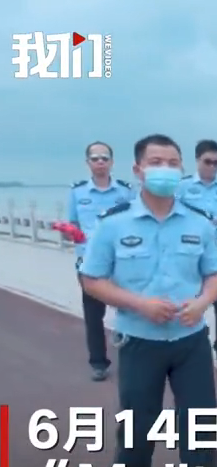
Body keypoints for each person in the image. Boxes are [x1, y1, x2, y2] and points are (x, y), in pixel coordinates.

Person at [79, 134, 217, 467]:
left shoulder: (199, 222)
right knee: (136, 433)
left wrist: (202, 302)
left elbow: (216, 274)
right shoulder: (113, 224)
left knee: (202, 432)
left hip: (191, 342)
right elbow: (91, 279)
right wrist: (139, 304)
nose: (165, 169)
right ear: (138, 169)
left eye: (173, 163)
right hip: (139, 342)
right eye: (156, 162)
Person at [67, 141, 134, 381]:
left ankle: (133, 357)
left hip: (121, 261)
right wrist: (71, 234)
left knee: (129, 310)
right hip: (90, 264)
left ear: (112, 162)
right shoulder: (77, 192)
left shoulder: (125, 192)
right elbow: (72, 223)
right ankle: (98, 363)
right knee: (94, 316)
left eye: (104, 158)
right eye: (95, 158)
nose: (100, 162)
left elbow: (135, 221)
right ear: (88, 163)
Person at [177, 139, 217, 364]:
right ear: (197, 160)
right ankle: (189, 342)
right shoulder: (183, 187)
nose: (212, 166)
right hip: (190, 251)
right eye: (208, 162)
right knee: (190, 299)